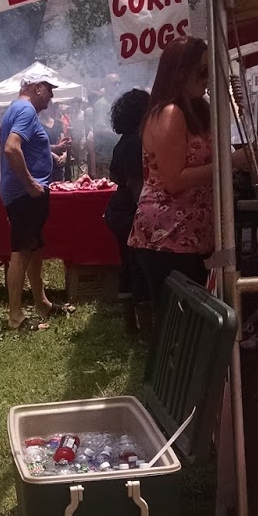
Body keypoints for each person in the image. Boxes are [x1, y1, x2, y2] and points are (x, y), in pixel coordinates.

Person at [130, 36, 248, 310]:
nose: (207, 79)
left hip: (193, 234)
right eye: (203, 71)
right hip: (167, 236)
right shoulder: (170, 113)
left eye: (210, 71)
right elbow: (173, 180)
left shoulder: (199, 108)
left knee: (196, 320)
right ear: (180, 72)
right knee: (180, 323)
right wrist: (230, 163)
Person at [0, 70, 66, 331]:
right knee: (21, 252)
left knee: (34, 249)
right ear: (37, 87)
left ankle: (42, 302)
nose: (51, 97)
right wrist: (29, 183)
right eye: (49, 90)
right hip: (25, 194)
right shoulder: (26, 110)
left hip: (24, 192)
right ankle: (15, 317)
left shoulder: (17, 108)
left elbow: (25, 146)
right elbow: (11, 147)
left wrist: (50, 152)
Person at [104, 88, 150, 336]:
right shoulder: (135, 142)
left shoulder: (122, 142)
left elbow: (114, 175)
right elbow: (136, 184)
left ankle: (131, 326)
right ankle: (144, 327)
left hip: (118, 210)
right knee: (138, 267)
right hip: (130, 212)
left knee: (127, 265)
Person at [41, 102, 72, 182]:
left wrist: (64, 155)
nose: (46, 108)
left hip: (59, 163)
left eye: (49, 106)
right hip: (45, 163)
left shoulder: (58, 123)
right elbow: (40, 145)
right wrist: (54, 156)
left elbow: (63, 140)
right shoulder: (37, 124)